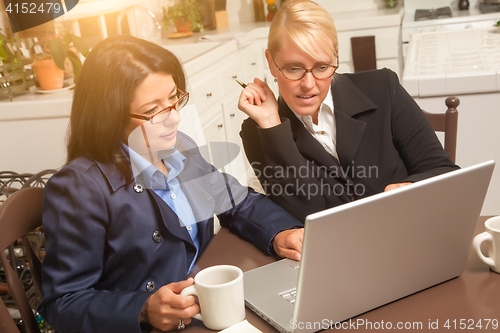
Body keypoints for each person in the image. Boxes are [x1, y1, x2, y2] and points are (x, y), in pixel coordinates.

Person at [38, 35, 304, 333]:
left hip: (204, 310)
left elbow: (234, 199)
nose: (175, 118)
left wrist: (282, 232)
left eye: (175, 98)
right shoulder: (79, 187)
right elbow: (62, 303)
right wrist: (143, 309)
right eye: (154, 110)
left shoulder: (179, 148)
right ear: (109, 116)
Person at [238, 0, 459, 223]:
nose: (308, 84)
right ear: (271, 62)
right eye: (293, 68)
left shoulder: (383, 87)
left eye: (322, 67)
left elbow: (443, 171)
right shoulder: (260, 132)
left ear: (336, 56)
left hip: (406, 232)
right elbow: (304, 215)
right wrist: (273, 126)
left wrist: (410, 188)